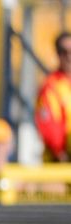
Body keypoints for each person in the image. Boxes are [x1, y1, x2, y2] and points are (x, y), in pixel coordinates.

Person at [36, 32, 71, 162]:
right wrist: (59, 153)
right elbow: (48, 123)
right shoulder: (51, 86)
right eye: (64, 52)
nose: (69, 56)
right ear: (57, 54)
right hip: (59, 159)